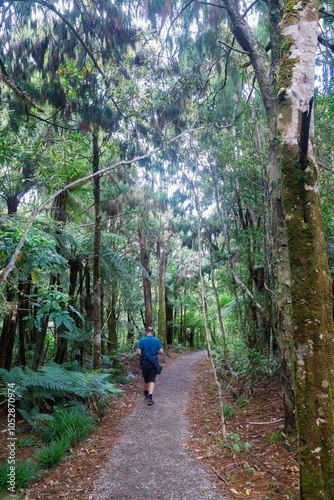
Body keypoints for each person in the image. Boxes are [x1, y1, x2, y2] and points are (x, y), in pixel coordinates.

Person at [136, 326, 163, 405]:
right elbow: (161, 351)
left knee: (145, 379)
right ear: (152, 332)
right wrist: (155, 352)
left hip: (145, 362)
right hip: (153, 362)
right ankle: (150, 398)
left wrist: (143, 356)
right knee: (152, 380)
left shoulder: (142, 340)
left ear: (146, 332)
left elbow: (138, 352)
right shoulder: (156, 340)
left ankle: (145, 391)